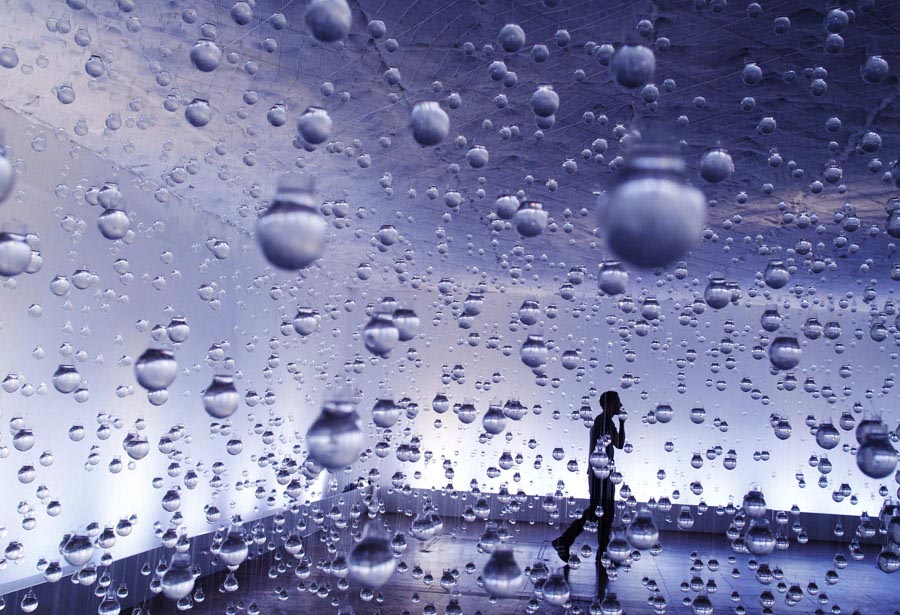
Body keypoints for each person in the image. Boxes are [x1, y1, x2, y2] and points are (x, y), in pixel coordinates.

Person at [551, 390, 626, 596]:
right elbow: (618, 444)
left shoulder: (605, 421)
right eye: (617, 402)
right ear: (609, 404)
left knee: (601, 512)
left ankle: (581, 545)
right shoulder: (602, 421)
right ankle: (585, 547)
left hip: (602, 473)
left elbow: (618, 444)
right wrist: (621, 423)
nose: (620, 405)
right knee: (601, 511)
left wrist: (621, 423)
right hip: (599, 474)